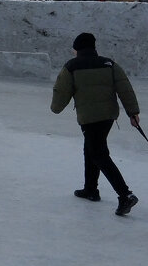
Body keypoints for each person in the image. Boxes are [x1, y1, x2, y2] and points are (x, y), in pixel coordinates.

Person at [51, 32, 141, 216]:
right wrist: (133, 112)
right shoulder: (109, 64)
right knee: (91, 148)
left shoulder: (72, 66)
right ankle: (90, 189)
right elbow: (125, 87)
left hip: (89, 118)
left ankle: (125, 194)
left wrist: (56, 108)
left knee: (98, 154)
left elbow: (61, 91)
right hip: (108, 117)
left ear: (77, 49)